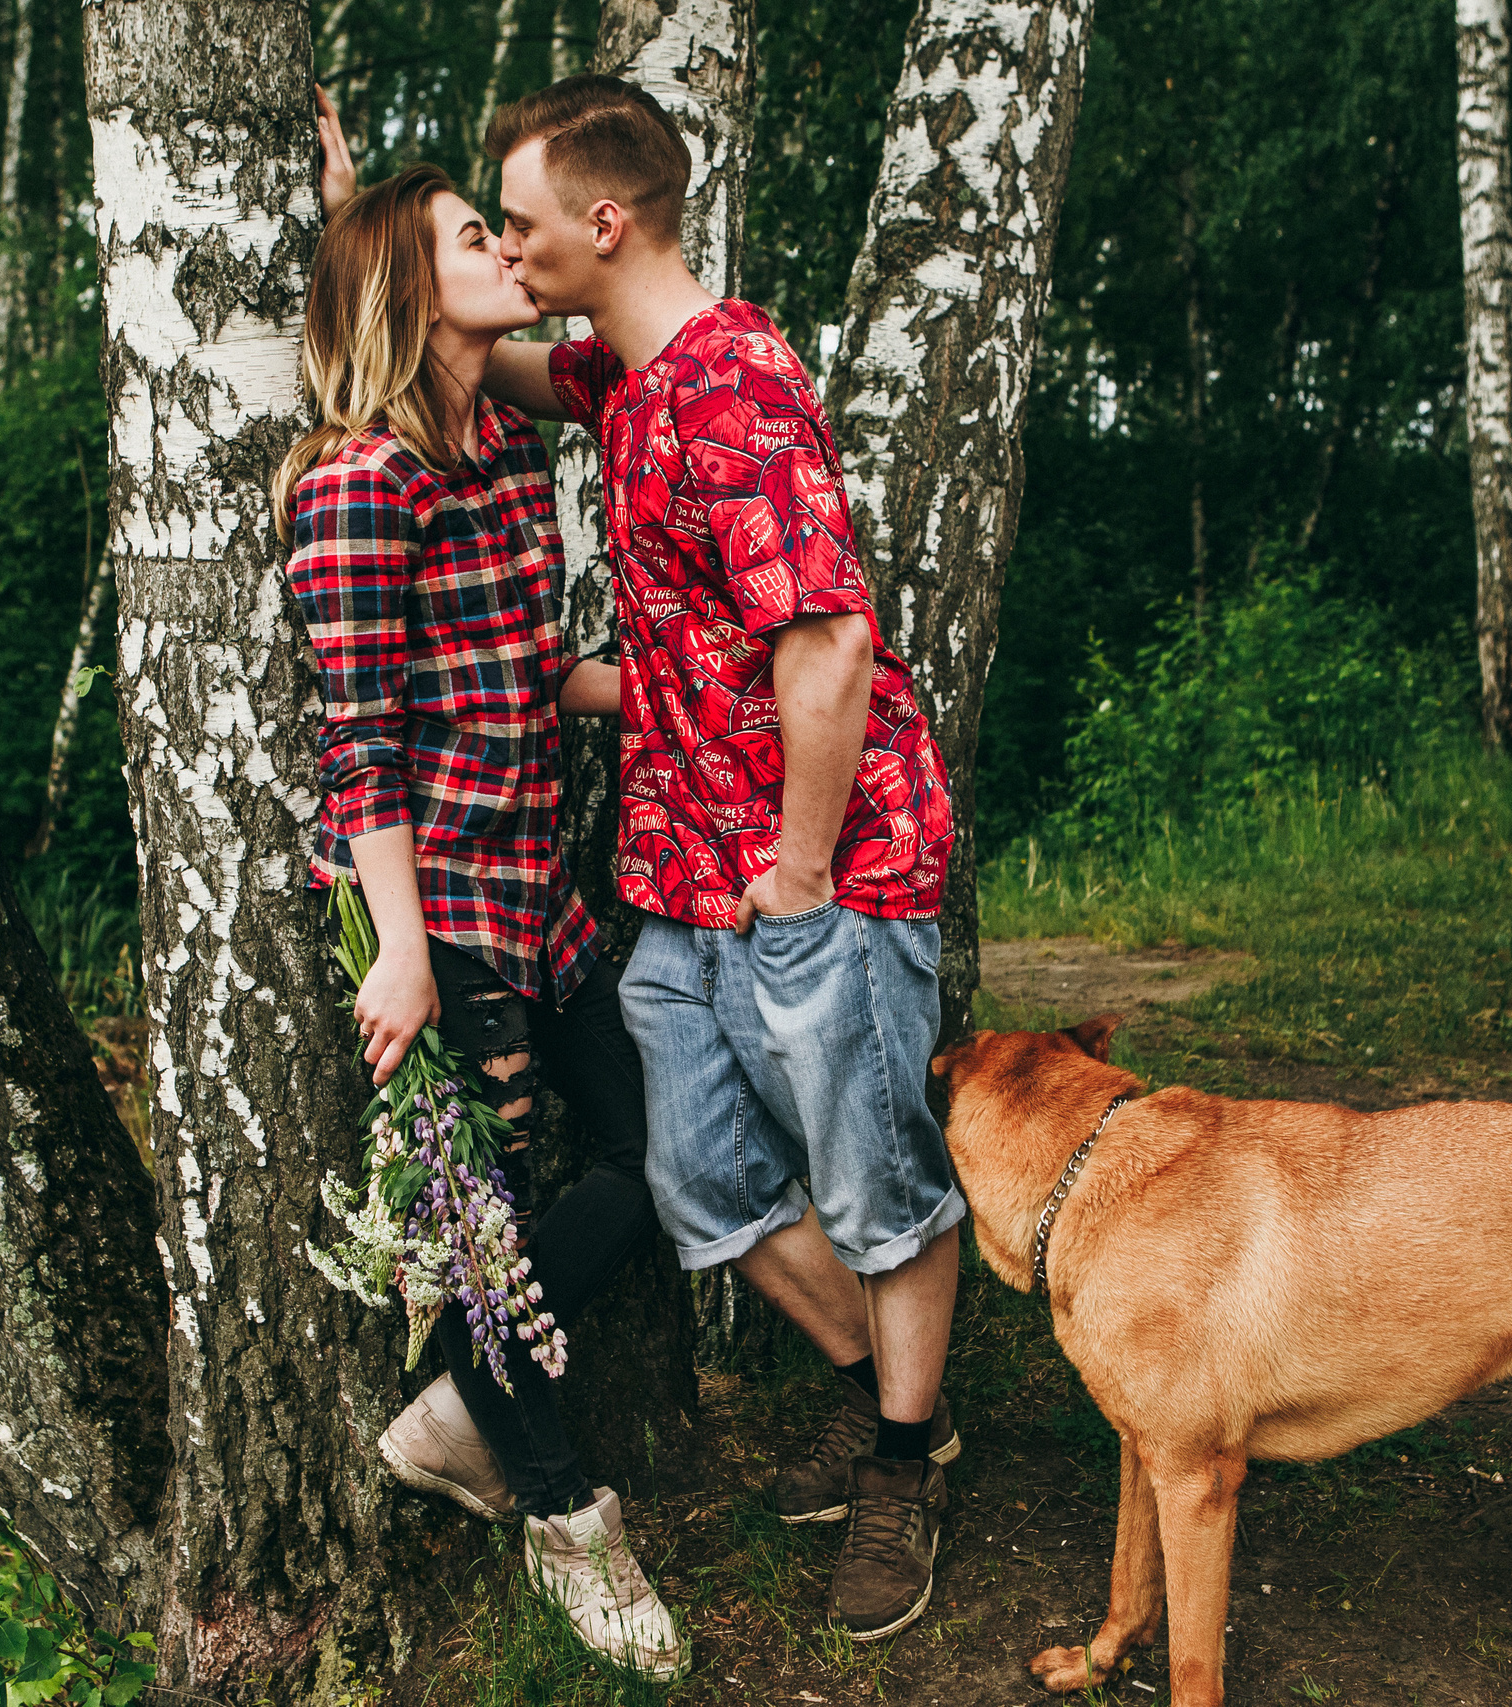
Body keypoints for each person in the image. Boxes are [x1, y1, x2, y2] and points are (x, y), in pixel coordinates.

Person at [465, 76, 968, 1643]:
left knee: (880, 1184)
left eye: (520, 224)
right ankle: (888, 1401)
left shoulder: (732, 381)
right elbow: (496, 359)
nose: (509, 249)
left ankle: (905, 1463)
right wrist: (380, 239)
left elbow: (826, 642)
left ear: (608, 223)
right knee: (705, 1187)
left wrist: (802, 871)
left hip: (824, 869)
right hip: (684, 877)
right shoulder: (626, 379)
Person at [274, 156, 685, 1682]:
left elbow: (525, 664)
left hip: (541, 897)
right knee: (480, 1229)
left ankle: (455, 1407)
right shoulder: (355, 485)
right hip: (436, 911)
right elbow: (360, 743)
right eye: (472, 236)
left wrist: (675, 696)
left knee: (666, 1156)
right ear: (407, 284)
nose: (508, 251)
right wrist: (400, 953)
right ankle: (568, 1520)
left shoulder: (503, 443)